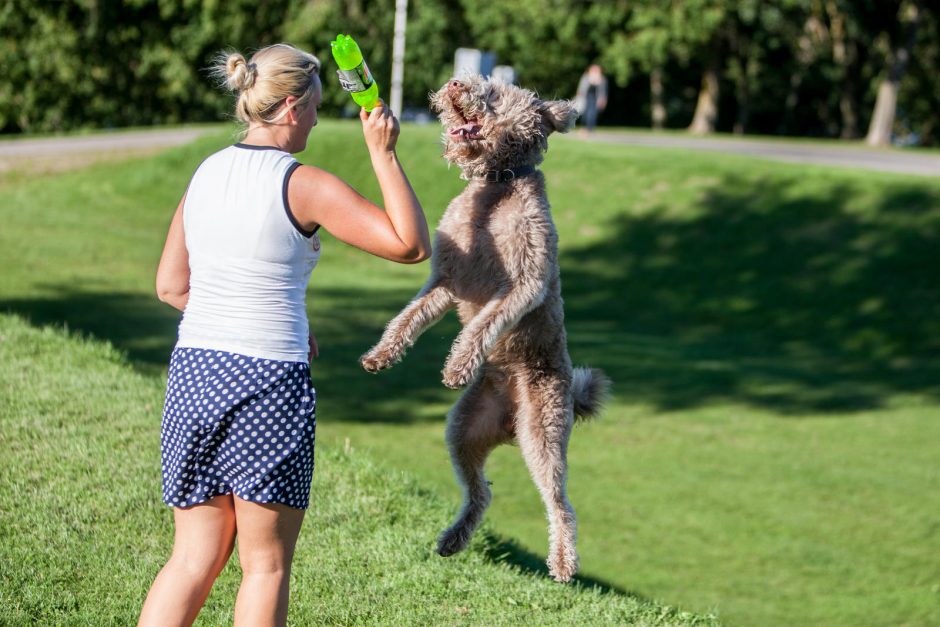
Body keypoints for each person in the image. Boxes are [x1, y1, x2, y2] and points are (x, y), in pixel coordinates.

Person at [138, 43, 430, 627]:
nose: (320, 120)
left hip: (193, 375)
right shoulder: (302, 184)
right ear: (292, 106)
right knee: (264, 565)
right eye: (318, 107)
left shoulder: (205, 173)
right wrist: (384, 154)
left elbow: (172, 285)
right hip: (266, 382)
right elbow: (410, 245)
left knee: (193, 557)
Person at [574, 63, 608, 133]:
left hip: (596, 99)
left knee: (592, 114)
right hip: (585, 98)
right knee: (585, 113)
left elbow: (603, 91)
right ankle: (584, 127)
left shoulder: (602, 79)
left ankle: (590, 128)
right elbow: (581, 88)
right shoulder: (586, 77)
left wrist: (603, 100)